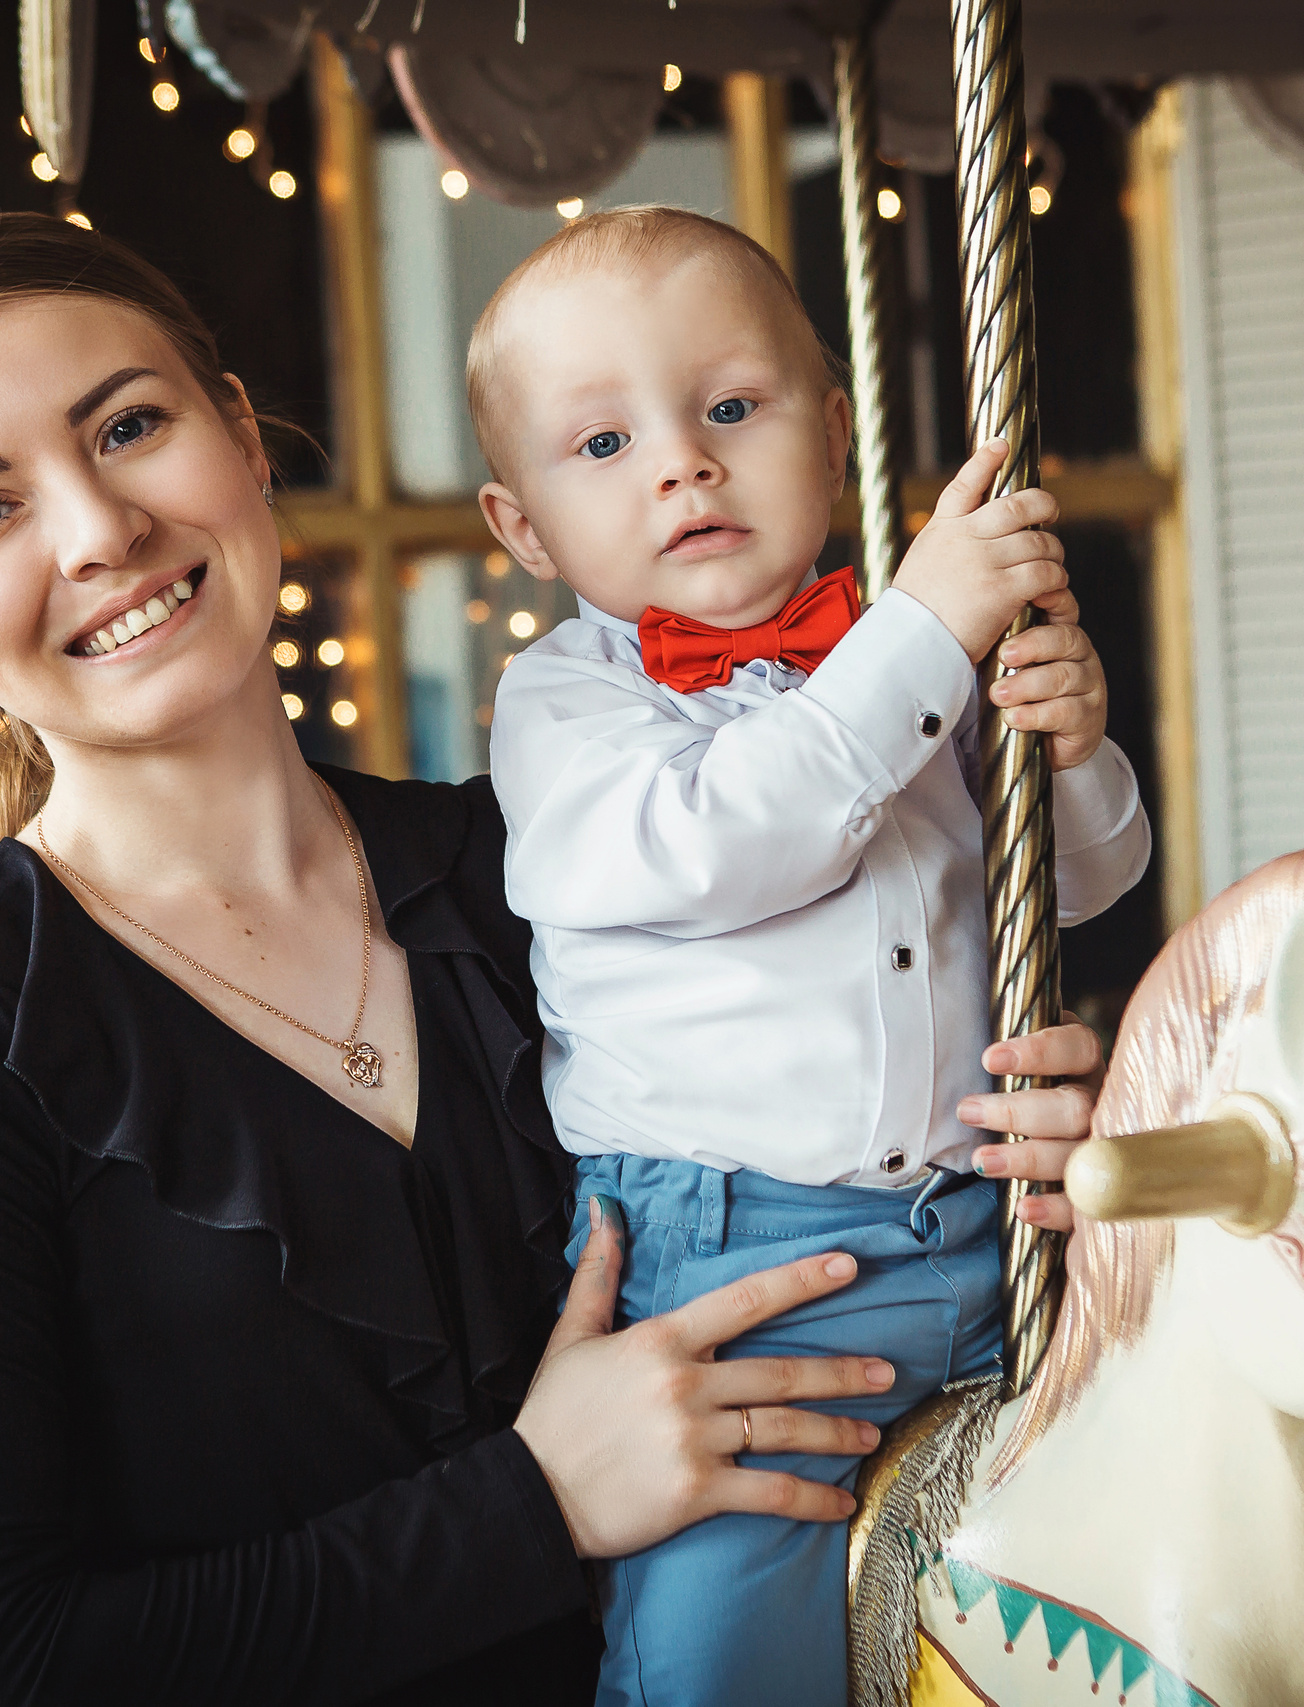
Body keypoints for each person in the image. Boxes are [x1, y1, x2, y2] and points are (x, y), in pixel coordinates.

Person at [0, 210, 1112, 1707]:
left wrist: (1007, 1141)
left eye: (130, 427)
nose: (100, 530)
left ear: (241, 439)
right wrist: (533, 1502)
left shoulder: (539, 869)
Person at [467, 207, 1149, 1707]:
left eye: (731, 408)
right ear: (523, 529)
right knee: (722, 1656)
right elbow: (726, 842)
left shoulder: (915, 659)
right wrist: (920, 635)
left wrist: (1071, 752)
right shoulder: (566, 709)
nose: (682, 464)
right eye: (603, 444)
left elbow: (1080, 887)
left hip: (993, 1224)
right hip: (742, 1280)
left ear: (832, 436)